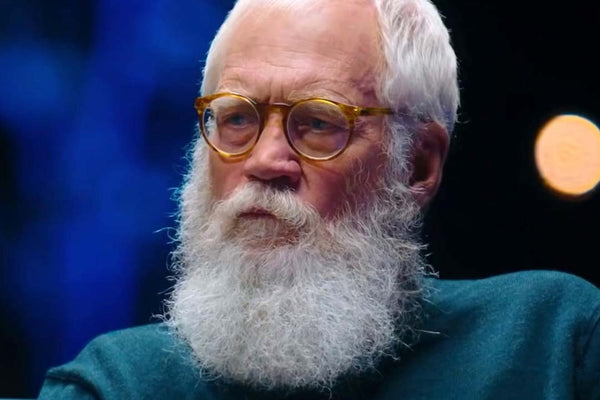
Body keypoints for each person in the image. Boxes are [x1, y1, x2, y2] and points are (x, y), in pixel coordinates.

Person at [38, 0, 600, 398]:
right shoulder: (117, 383)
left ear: (418, 165)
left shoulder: (551, 340)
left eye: (319, 123)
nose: (264, 161)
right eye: (236, 119)